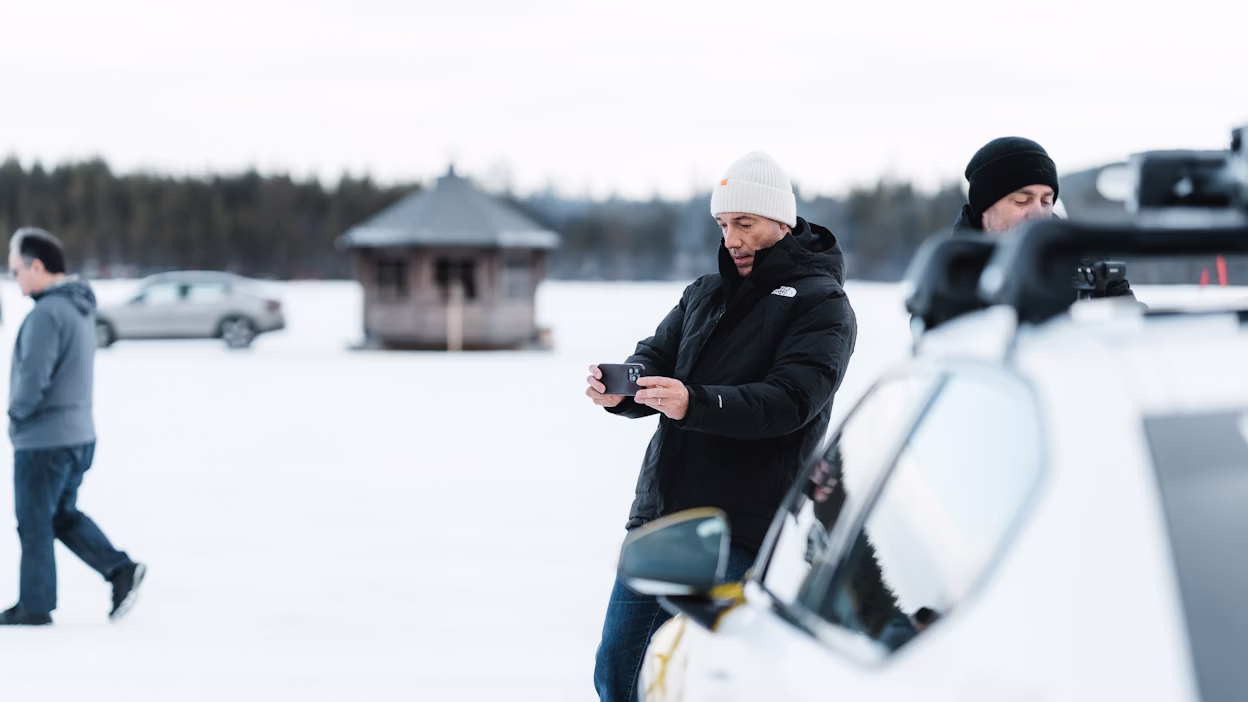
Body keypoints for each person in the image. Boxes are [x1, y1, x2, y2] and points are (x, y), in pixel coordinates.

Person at [586, 152, 857, 701]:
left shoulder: (822, 305)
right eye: (723, 224)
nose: (731, 238)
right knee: (618, 668)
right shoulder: (703, 293)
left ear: (781, 223)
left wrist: (695, 402)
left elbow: (790, 402)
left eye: (745, 224)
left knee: (700, 678)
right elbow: (654, 361)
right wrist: (623, 390)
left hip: (739, 525)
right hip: (662, 516)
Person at [1, 228, 145, 626]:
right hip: (78, 434)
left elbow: (33, 379)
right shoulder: (78, 307)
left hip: (45, 440)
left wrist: (16, 414)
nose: (15, 279)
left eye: (16, 271)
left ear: (37, 265)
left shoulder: (47, 313)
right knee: (60, 516)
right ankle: (120, 570)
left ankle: (34, 606)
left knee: (34, 522)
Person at [952, 136, 1134, 298]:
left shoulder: (1089, 263)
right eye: (1022, 200)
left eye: (1046, 201)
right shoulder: (948, 273)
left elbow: (1132, 324)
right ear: (985, 207)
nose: (1038, 213)